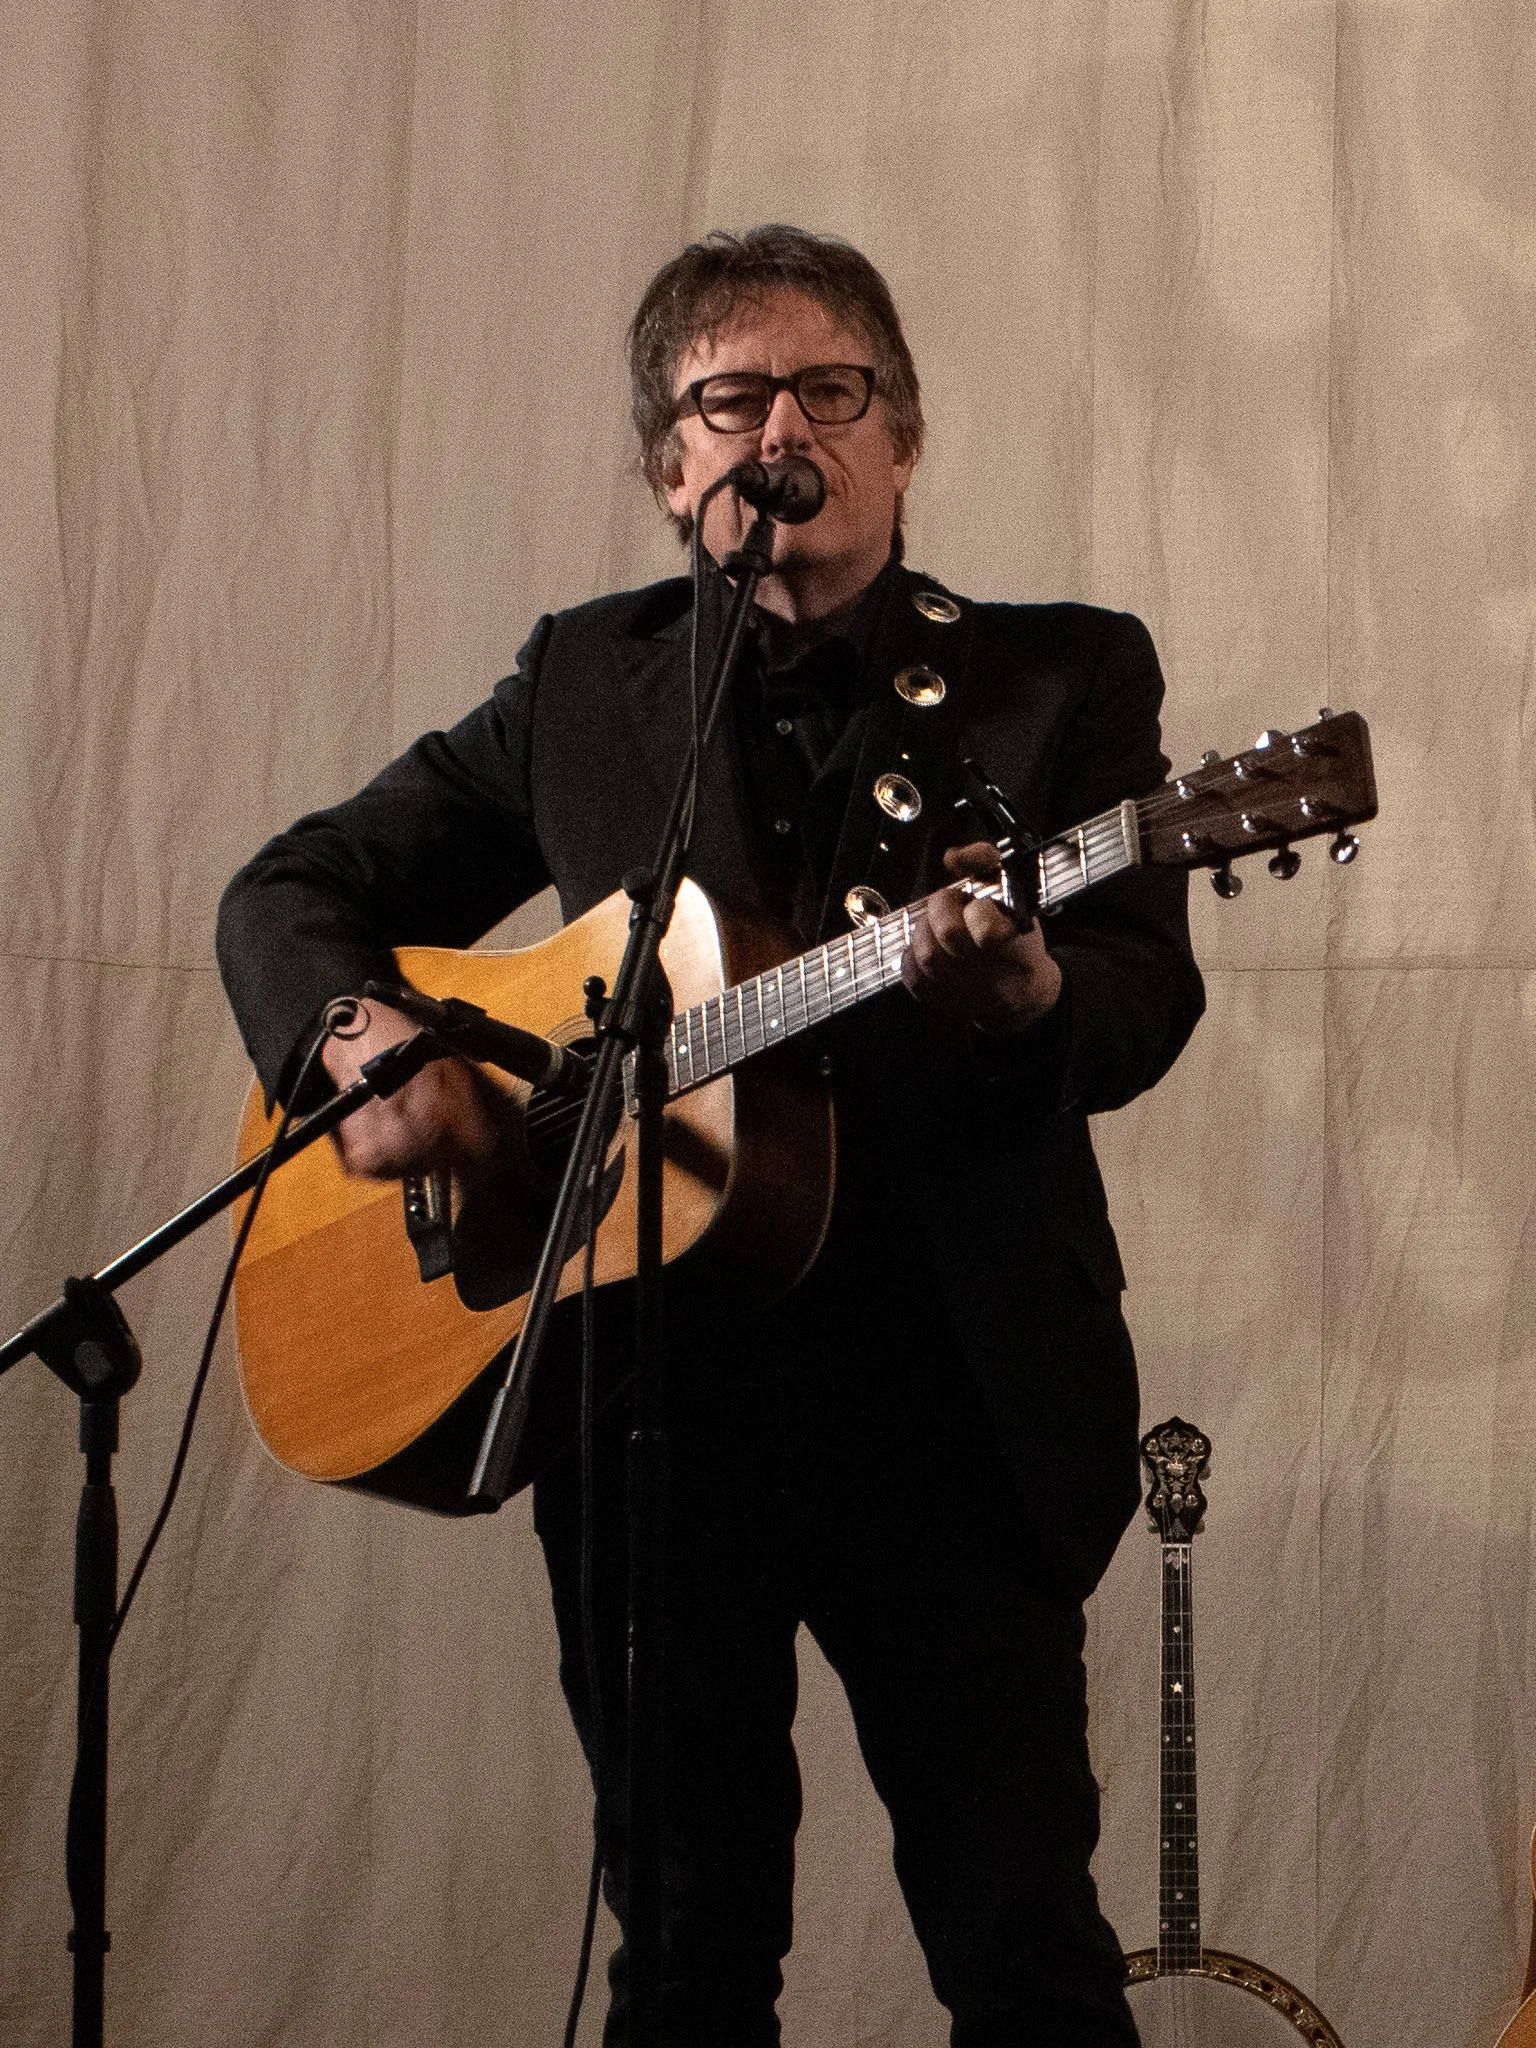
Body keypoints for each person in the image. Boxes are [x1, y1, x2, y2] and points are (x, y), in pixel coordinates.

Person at [218, 224, 1205, 2046]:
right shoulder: (589, 684)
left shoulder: (1061, 679)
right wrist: (360, 1041)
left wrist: (1033, 1003)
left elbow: (1145, 989)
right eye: (728, 398)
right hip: (648, 1415)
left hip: (951, 1409)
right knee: (682, 1947)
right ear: (671, 468)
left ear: (900, 441)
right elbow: (298, 888)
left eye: (828, 389)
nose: (779, 433)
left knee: (1019, 1944)